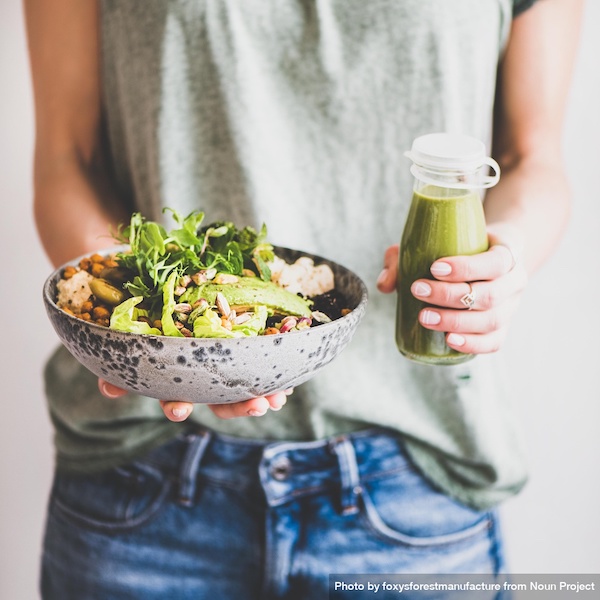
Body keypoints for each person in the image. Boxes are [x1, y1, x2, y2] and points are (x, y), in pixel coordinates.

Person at [25, 0, 582, 598]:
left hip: (415, 477)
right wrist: (128, 326)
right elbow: (66, 159)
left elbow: (531, 157)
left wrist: (505, 257)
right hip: (143, 481)